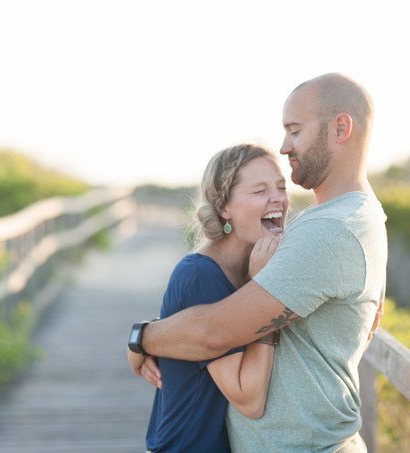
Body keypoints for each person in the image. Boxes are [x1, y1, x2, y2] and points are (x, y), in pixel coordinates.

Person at [128, 73, 388, 452]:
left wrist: (142, 338)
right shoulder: (348, 219)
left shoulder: (332, 229)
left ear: (340, 128)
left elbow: (214, 333)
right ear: (225, 207)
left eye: (295, 131)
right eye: (260, 190)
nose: (285, 146)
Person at [128, 143, 289, 452]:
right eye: (259, 191)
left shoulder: (250, 263)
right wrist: (265, 288)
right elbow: (249, 399)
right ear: (224, 207)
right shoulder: (201, 275)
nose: (278, 198)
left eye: (281, 187)